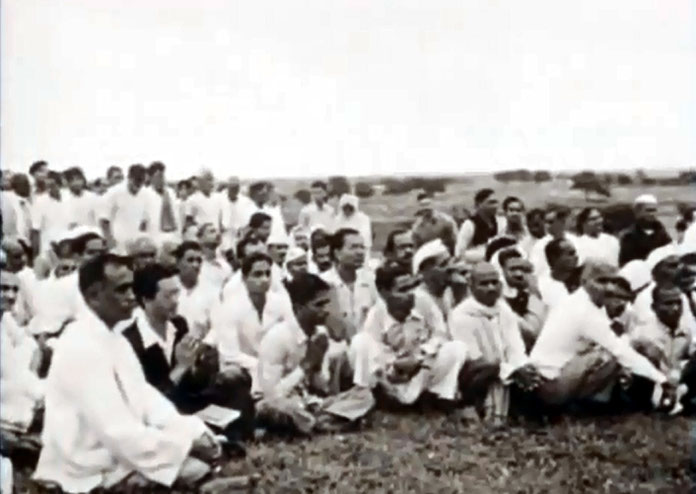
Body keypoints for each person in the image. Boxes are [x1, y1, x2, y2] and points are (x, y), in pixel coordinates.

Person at [34, 254, 225, 492]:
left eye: (131, 288)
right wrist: (183, 445)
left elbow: (145, 399)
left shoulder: (115, 338)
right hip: (85, 461)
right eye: (122, 290)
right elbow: (115, 429)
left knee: (200, 453)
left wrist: (193, 431)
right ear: (93, 296)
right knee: (193, 468)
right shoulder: (79, 344)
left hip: (117, 448)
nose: (132, 297)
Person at [122, 264, 255, 441]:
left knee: (235, 382)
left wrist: (201, 362)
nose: (176, 300)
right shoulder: (132, 341)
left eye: (177, 293)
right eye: (168, 296)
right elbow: (148, 401)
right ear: (146, 299)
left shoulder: (178, 324)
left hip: (187, 403)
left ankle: (229, 436)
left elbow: (193, 385)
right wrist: (181, 367)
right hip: (160, 412)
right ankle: (217, 438)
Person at [528, 261, 672, 407]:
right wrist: (662, 380)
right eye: (601, 281)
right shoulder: (583, 309)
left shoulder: (584, 302)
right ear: (584, 281)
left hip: (554, 376)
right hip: (550, 384)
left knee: (622, 347)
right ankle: (581, 405)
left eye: (612, 281)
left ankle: (610, 399)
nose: (608, 287)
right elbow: (620, 351)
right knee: (610, 354)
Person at [257, 273, 374, 435]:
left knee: (364, 396)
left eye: (327, 303)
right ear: (298, 308)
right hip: (281, 403)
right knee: (272, 409)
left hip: (310, 403)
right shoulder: (277, 337)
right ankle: (327, 423)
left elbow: (322, 388)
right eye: (318, 305)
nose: (325, 310)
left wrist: (318, 366)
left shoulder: (320, 334)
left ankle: (319, 423)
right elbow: (271, 394)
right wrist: (306, 366)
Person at [349, 264, 468, 407]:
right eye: (402, 290)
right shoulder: (376, 314)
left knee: (457, 348)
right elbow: (373, 352)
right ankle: (371, 397)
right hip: (390, 376)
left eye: (413, 287)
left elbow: (440, 334)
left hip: (420, 370)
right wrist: (395, 365)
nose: (410, 294)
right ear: (383, 292)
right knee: (360, 341)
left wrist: (419, 357)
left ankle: (438, 398)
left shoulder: (424, 301)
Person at [448, 262, 540, 422]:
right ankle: (472, 407)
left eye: (494, 282)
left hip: (504, 371)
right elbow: (474, 360)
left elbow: (515, 347)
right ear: (471, 286)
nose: (491, 288)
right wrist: (512, 371)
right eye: (484, 284)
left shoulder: (503, 309)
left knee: (533, 371)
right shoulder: (461, 315)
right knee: (490, 366)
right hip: (473, 376)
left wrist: (522, 368)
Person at [207, 252, 294, 396]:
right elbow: (229, 354)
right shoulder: (230, 307)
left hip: (276, 367)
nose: (264, 279)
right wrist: (261, 365)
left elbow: (291, 335)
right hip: (243, 370)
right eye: (257, 274)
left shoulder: (280, 303)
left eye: (267, 274)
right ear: (245, 278)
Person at [627, 285, 692, 412]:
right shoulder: (642, 333)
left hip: (676, 380)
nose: (675, 308)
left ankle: (677, 398)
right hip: (651, 384)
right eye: (668, 303)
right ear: (654, 307)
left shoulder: (686, 330)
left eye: (678, 302)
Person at [0, 269, 44, 436]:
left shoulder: (6, 319)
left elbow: (33, 347)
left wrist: (31, 373)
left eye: (14, 289)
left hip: (20, 396)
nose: (10, 296)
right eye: (3, 289)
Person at [321, 228, 378, 339]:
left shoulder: (371, 280)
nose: (360, 252)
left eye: (362, 247)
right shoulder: (324, 282)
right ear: (337, 253)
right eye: (353, 247)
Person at [499, 250, 547, 351]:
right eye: (512, 269)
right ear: (502, 270)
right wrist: (533, 294)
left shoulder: (537, 290)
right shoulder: (498, 298)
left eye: (522, 269)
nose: (519, 274)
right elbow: (532, 331)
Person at [100, 164, 151, 250]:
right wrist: (109, 240)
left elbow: (144, 222)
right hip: (116, 243)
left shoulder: (145, 194)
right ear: (129, 178)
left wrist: (142, 239)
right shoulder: (113, 192)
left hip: (135, 244)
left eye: (142, 181)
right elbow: (104, 220)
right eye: (137, 180)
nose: (139, 184)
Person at [175, 241, 217, 339]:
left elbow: (217, 327)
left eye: (199, 261)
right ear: (178, 263)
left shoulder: (212, 292)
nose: (195, 265)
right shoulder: (168, 289)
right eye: (190, 260)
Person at [619, 194, 671, 266]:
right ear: (638, 212)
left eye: (654, 210)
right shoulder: (628, 236)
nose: (652, 214)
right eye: (649, 211)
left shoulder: (663, 234)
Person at [529, 205, 578, 278]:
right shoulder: (540, 245)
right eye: (545, 222)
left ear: (562, 221)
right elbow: (536, 270)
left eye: (551, 222)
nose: (547, 226)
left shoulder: (575, 241)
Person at [30, 170, 72, 257]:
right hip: (47, 249)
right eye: (47, 186)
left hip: (68, 247)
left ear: (59, 185)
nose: (50, 189)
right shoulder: (39, 201)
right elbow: (35, 230)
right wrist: (35, 256)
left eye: (52, 185)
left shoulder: (69, 198)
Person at [455, 188, 505, 260]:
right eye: (491, 202)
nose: (495, 206)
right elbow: (459, 253)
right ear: (479, 204)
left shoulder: (501, 222)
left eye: (496, 202)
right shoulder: (469, 225)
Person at [413, 239, 455, 322]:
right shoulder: (418, 300)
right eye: (443, 264)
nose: (451, 267)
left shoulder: (449, 292)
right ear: (426, 272)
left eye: (451, 262)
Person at [537, 238, 581, 308]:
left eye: (575, 253)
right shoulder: (541, 285)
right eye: (571, 254)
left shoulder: (585, 280)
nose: (576, 257)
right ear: (554, 258)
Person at [145, 162, 181, 245]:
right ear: (150, 178)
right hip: (154, 236)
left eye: (162, 176)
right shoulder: (145, 194)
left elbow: (177, 214)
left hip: (173, 235)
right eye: (157, 176)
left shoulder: (171, 193)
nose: (160, 179)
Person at [220, 176, 253, 242]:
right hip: (224, 234)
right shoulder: (220, 199)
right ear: (228, 187)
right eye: (232, 187)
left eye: (236, 187)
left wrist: (244, 231)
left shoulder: (246, 201)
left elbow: (250, 219)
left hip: (240, 235)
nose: (234, 190)